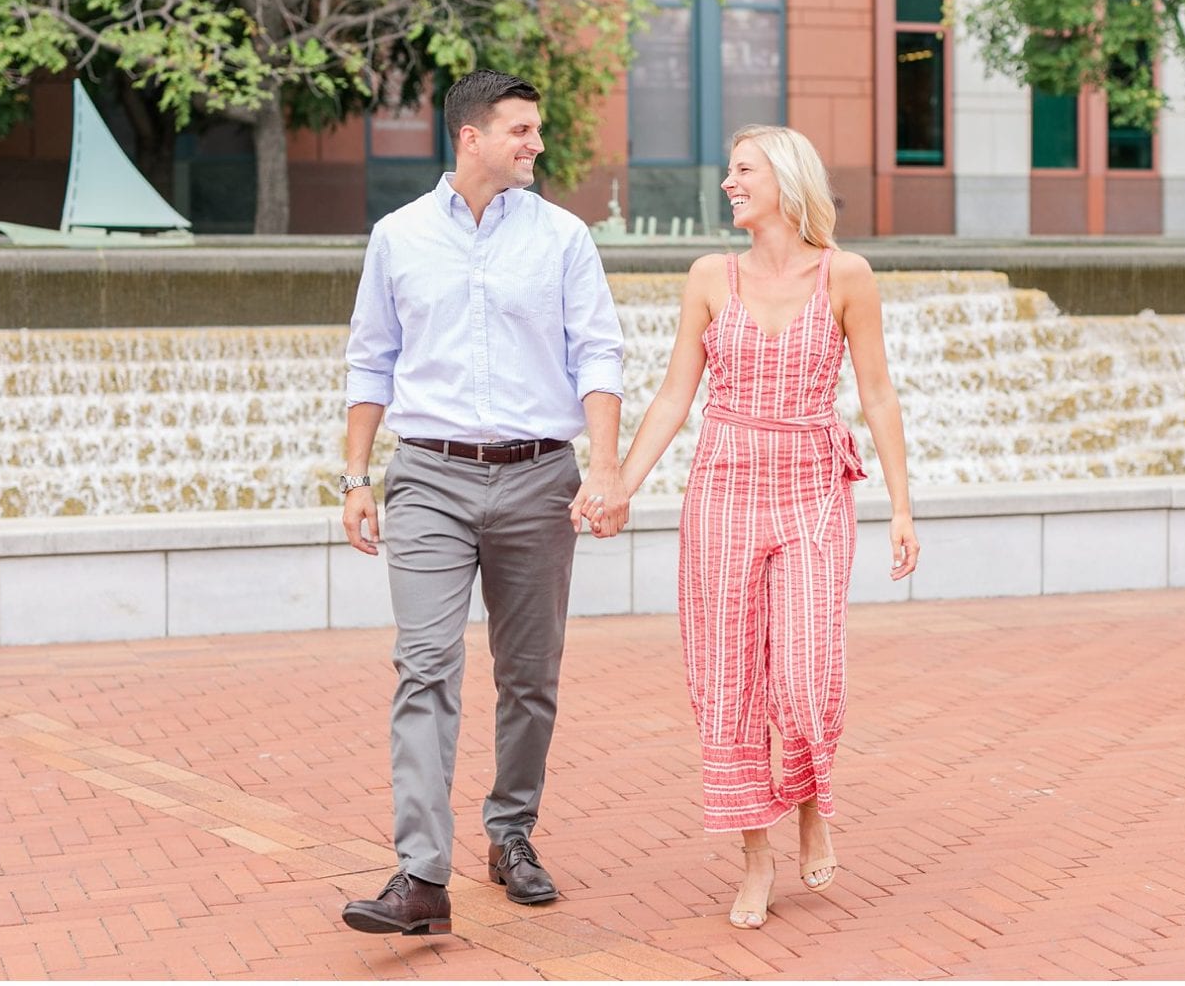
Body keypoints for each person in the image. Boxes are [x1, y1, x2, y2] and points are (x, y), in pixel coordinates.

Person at [583, 124, 918, 930]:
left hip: (810, 487)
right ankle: (756, 855)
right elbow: (673, 397)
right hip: (724, 489)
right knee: (728, 681)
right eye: (731, 172)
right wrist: (618, 484)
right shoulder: (709, 276)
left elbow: (876, 394)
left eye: (744, 171)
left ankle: (808, 801)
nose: (730, 183)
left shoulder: (848, 275)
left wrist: (902, 507)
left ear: (787, 180)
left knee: (805, 674)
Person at [337, 69, 626, 937]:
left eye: (537, 130)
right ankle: (422, 876)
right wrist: (355, 478)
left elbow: (599, 357)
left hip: (542, 476)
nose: (537, 144)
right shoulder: (397, 237)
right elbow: (370, 359)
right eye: (522, 130)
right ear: (471, 137)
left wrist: (604, 468)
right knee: (425, 665)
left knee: (529, 677)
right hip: (427, 476)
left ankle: (511, 835)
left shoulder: (565, 238)